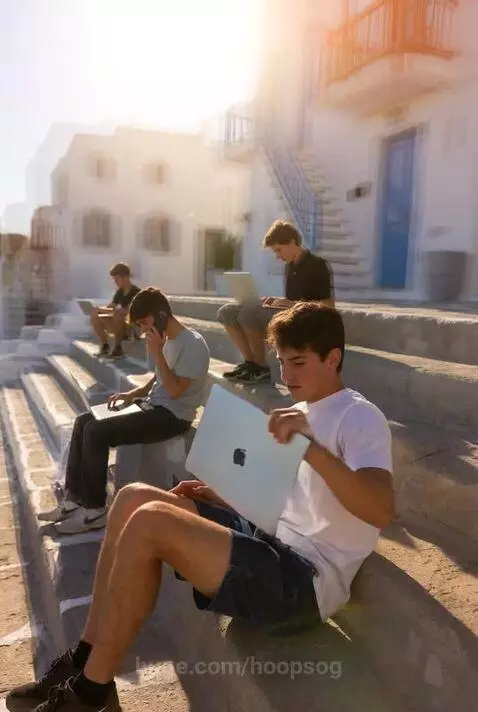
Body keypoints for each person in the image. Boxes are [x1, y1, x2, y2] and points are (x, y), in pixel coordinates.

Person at [10, 303, 395, 712]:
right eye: (281, 362)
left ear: (332, 358)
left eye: (298, 362)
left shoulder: (359, 416)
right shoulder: (298, 411)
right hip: (270, 541)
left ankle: (90, 695)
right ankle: (85, 656)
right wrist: (220, 494)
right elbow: (283, 494)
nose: (286, 375)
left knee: (150, 523)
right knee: (133, 497)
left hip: (305, 580)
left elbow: (379, 508)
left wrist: (312, 450)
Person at [38, 287, 210, 535]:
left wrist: (158, 353)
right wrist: (133, 394)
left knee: (97, 432)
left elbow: (174, 391)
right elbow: (160, 379)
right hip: (153, 406)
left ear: (160, 315)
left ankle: (95, 511)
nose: (142, 330)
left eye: (144, 323)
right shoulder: (168, 341)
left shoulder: (192, 344)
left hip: (173, 417)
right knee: (85, 420)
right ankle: (72, 502)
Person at [217, 220, 334, 385]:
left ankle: (261, 368)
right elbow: (293, 300)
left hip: (307, 321)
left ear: (293, 243)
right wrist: (273, 301)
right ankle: (250, 364)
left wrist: (289, 305)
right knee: (227, 312)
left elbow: (328, 306)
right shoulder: (290, 267)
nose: (278, 256)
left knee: (249, 314)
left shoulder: (318, 265)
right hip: (291, 313)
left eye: (278, 250)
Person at [90, 262, 141, 359]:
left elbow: (127, 311)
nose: (115, 281)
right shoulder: (120, 292)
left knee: (118, 314)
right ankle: (105, 346)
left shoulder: (136, 292)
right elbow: (111, 307)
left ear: (125, 277)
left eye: (117, 278)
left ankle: (118, 348)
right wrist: (98, 310)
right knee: (95, 317)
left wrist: (104, 310)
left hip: (133, 328)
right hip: (121, 324)